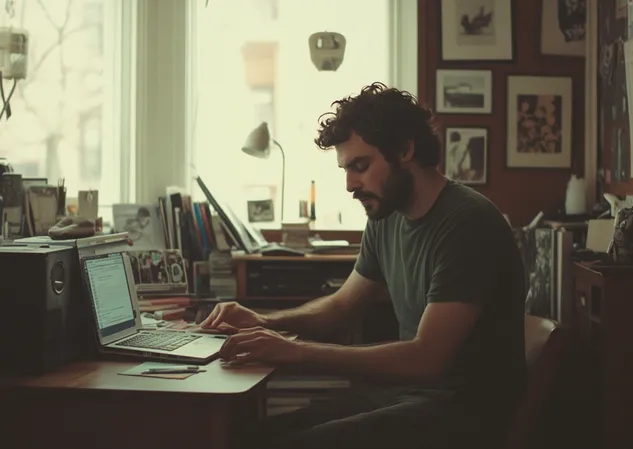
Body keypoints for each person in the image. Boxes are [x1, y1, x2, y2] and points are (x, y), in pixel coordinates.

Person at [201, 83, 526, 449]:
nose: (350, 184)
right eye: (346, 169)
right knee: (251, 436)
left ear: (405, 149)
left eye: (360, 166)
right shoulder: (385, 216)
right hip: (411, 395)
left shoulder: (468, 222)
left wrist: (292, 351)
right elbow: (342, 307)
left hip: (465, 412)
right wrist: (265, 322)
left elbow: (427, 358)